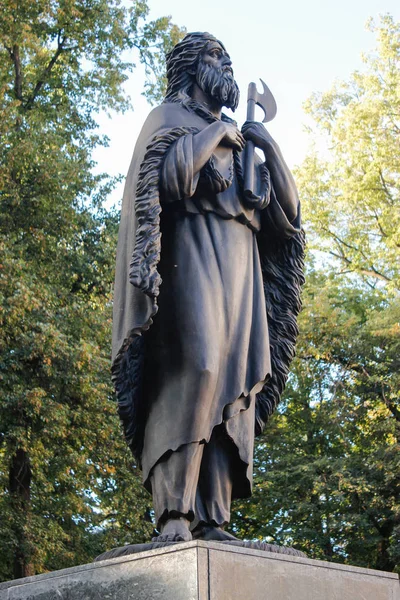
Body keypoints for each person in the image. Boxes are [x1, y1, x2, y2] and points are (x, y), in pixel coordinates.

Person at [112, 32, 305, 543]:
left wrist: (264, 145)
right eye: (217, 57)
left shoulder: (241, 140)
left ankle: (213, 517)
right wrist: (217, 133)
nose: (228, 66)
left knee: (234, 384)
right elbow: (168, 178)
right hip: (190, 257)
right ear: (193, 67)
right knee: (198, 366)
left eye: (228, 57)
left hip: (242, 269)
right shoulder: (169, 119)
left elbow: (288, 214)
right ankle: (173, 515)